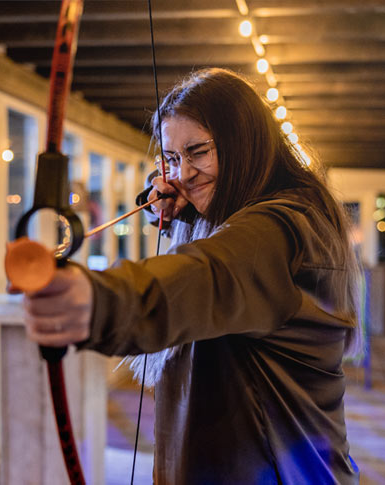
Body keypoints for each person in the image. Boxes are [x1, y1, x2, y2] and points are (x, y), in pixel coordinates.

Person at [21, 68, 361, 484]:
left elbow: (205, 274)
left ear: (244, 146)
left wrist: (95, 301)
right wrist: (160, 197)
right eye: (171, 159)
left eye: (199, 152)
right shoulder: (252, 210)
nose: (181, 174)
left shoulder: (281, 228)